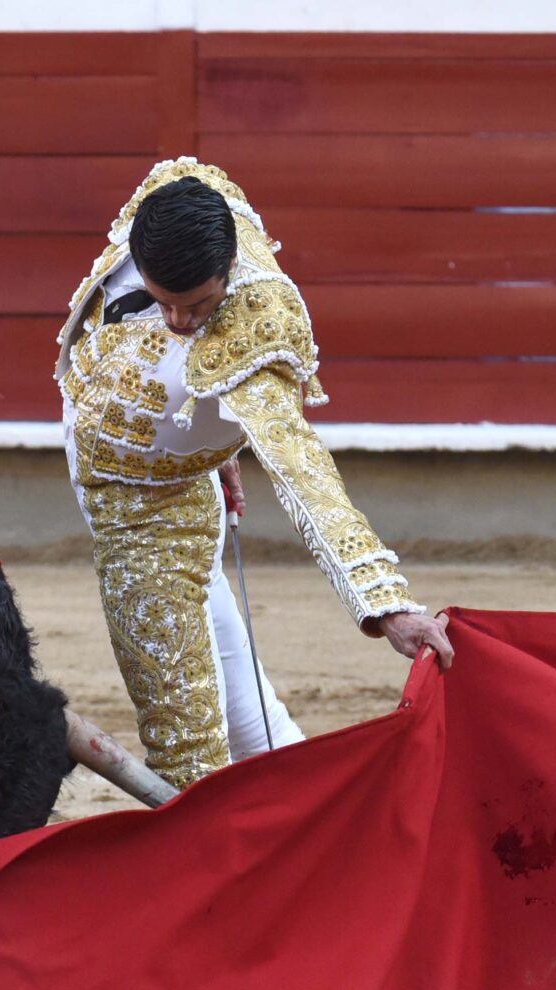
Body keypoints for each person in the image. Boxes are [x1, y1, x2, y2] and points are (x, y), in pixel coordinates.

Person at [56, 157, 453, 790]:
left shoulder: (254, 342)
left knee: (190, 756)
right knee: (241, 705)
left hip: (145, 521)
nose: (181, 321)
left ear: (231, 267)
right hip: (164, 478)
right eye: (163, 302)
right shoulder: (180, 198)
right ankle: (310, 829)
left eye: (199, 304)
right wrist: (214, 445)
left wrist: (386, 607)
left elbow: (305, 473)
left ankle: (279, 853)